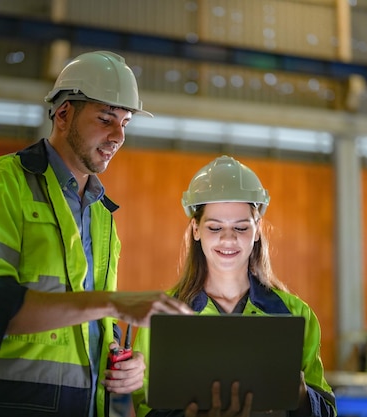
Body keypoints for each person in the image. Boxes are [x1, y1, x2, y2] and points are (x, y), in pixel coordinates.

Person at [0, 50, 193, 417]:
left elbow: (86, 324)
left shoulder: (102, 215)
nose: (118, 135)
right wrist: (114, 303)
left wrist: (125, 363)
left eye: (126, 122)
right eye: (106, 118)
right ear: (63, 115)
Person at [132, 155, 337, 417]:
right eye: (215, 227)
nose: (228, 239)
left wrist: (301, 396)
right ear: (196, 229)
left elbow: (327, 411)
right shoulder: (161, 313)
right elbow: (146, 406)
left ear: (258, 229)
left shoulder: (297, 314)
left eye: (241, 227)